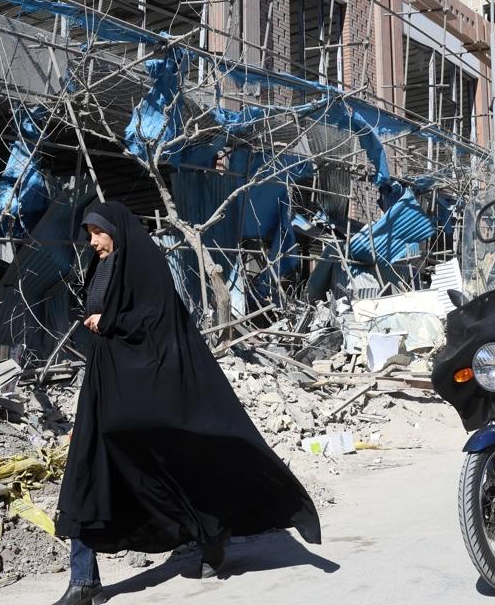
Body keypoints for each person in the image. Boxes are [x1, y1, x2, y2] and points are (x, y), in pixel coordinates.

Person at [53, 202, 321, 605]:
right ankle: (83, 579)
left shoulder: (145, 265)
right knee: (87, 472)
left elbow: (153, 320)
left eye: (97, 232)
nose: (91, 242)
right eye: (88, 233)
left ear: (117, 230)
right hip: (105, 388)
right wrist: (92, 316)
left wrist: (108, 322)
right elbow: (94, 308)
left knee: (173, 469)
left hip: (149, 391)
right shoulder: (102, 266)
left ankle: (211, 535)